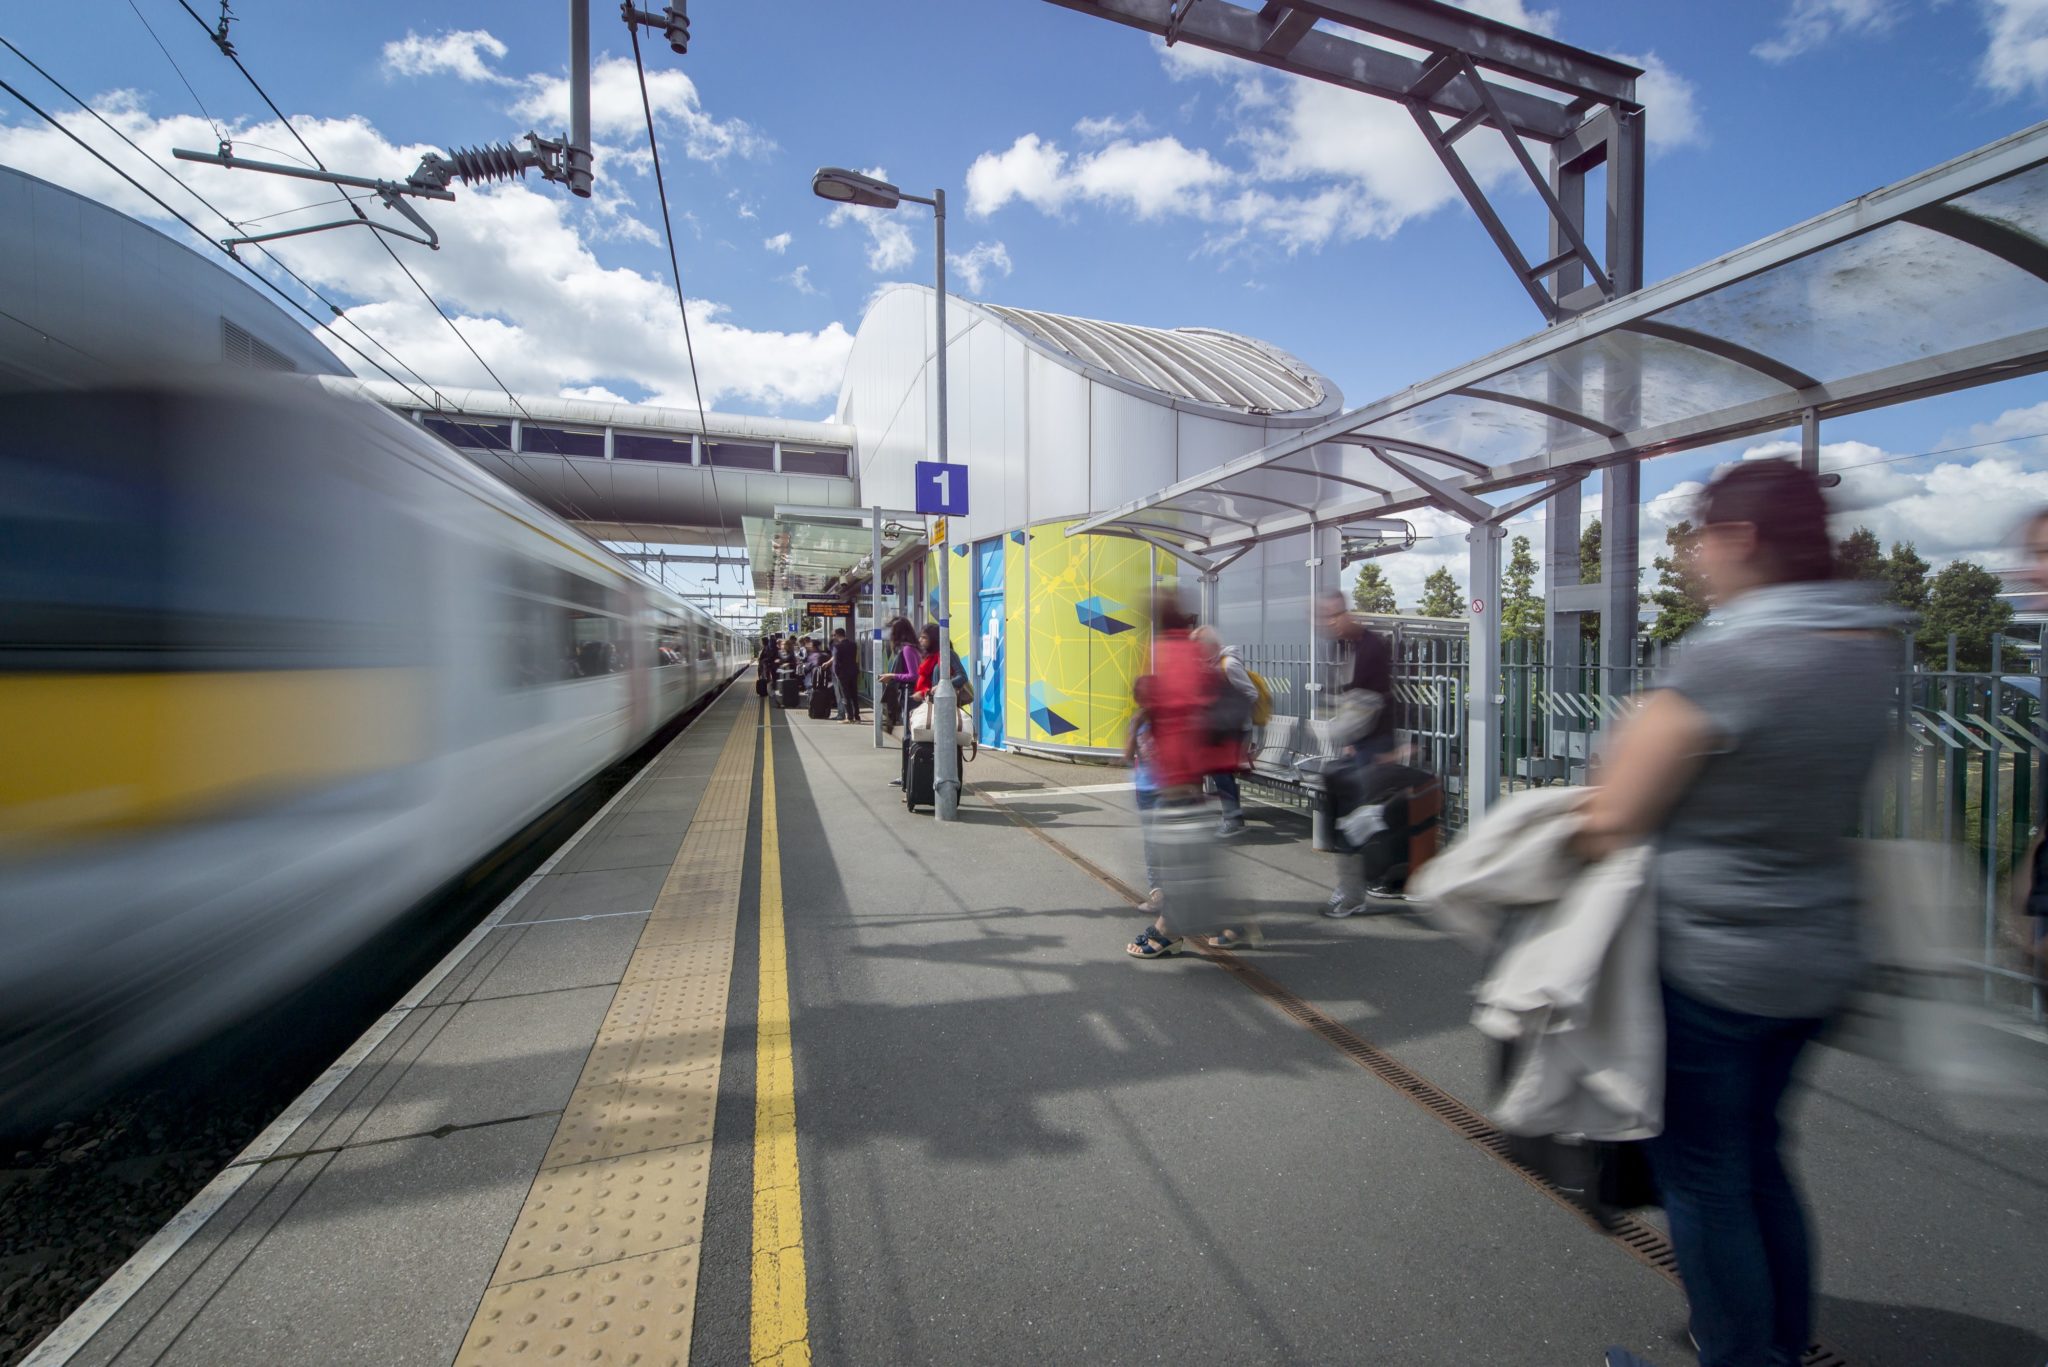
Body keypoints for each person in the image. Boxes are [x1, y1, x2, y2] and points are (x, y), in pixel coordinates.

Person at [1573, 459, 1896, 1367]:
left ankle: (1742, 1355)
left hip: (1711, 965)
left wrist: (1632, 732)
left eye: (1699, 539)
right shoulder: (1862, 646)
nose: (1692, 559)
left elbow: (1613, 815)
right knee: (1760, 1162)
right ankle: (1780, 1348)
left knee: (1705, 1181)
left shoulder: (1729, 652)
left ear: (1742, 540)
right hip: (1817, 956)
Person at [1127, 592, 1244, 959]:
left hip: (1179, 777)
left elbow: (1176, 714)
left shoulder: (1172, 651)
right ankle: (1222, 924)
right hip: (1183, 773)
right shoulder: (1180, 649)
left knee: (1182, 859)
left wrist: (1176, 775)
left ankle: (1169, 931)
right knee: (1189, 858)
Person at [1315, 591, 1398, 916]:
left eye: (1334, 616)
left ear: (1348, 614)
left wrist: (1380, 747)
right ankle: (1365, 885)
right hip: (1361, 744)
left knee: (1357, 817)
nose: (1330, 624)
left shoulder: (1370, 647)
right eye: (1326, 618)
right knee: (1356, 815)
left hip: (1373, 745)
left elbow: (1370, 701)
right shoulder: (1345, 647)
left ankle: (1357, 891)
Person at [1193, 625, 1256, 838]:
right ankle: (1230, 815)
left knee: (1221, 770)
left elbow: (1250, 693)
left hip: (1236, 729)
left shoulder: (1228, 664)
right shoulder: (1209, 664)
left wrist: (1226, 711)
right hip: (1220, 728)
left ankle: (1233, 819)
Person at [879, 617, 921, 739]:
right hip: (913, 694)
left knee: (909, 729)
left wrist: (892, 675)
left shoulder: (907, 649)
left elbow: (913, 675)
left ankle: (910, 755)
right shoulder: (913, 648)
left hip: (911, 694)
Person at [830, 627, 862, 724]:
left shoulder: (837, 647)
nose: (833, 637)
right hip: (853, 672)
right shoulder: (853, 645)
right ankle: (857, 717)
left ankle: (850, 717)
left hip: (843, 674)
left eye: (834, 635)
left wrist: (836, 673)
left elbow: (836, 662)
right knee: (854, 695)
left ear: (837, 635)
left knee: (845, 695)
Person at [756, 633, 778, 698]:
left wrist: (763, 661)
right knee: (767, 679)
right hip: (764, 667)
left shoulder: (766, 648)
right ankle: (767, 691)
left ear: (763, 642)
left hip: (765, 667)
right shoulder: (766, 648)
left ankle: (769, 692)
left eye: (761, 641)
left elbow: (767, 657)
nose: (760, 643)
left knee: (767, 679)